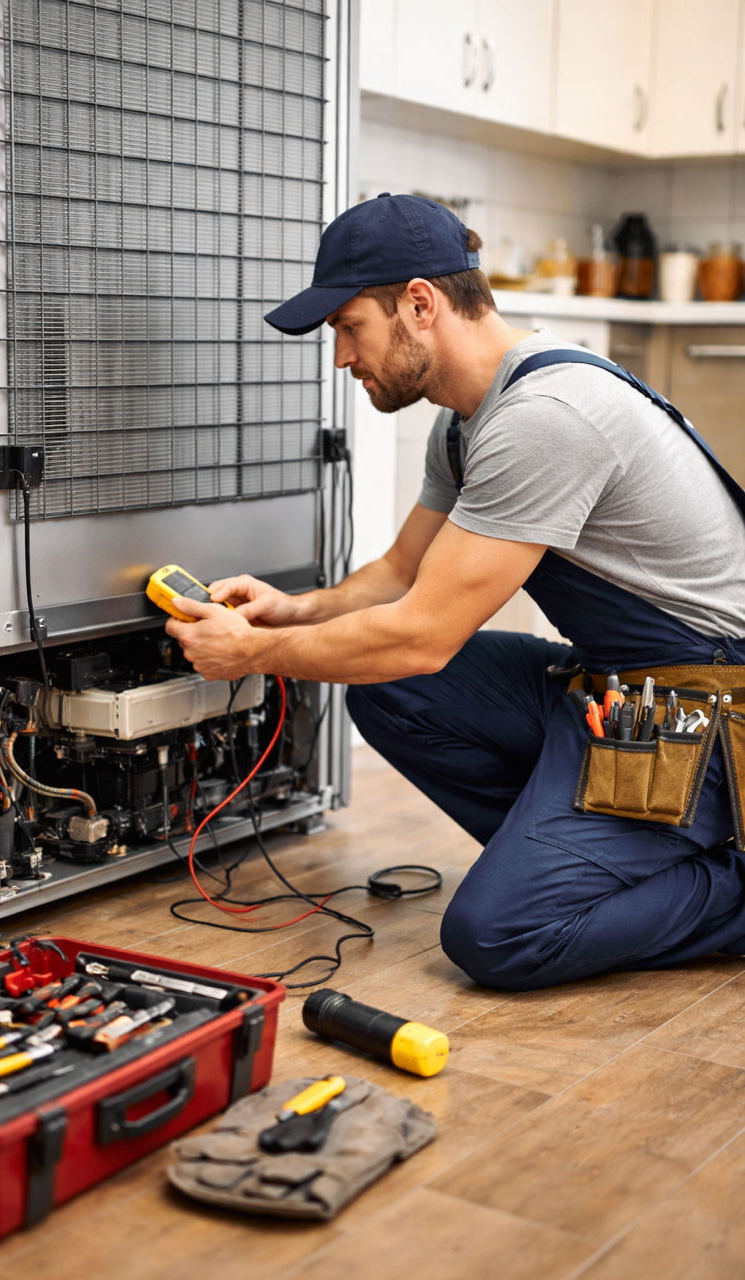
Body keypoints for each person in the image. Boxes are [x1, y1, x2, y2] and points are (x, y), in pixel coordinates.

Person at [164, 192, 745, 992]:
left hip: (704, 712)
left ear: (419, 304)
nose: (340, 356)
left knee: (499, 935)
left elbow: (420, 632)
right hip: (617, 684)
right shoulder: (467, 419)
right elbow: (404, 573)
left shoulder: (545, 416)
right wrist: (291, 611)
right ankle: (586, 856)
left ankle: (717, 883)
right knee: (392, 689)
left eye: (347, 326)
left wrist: (254, 653)